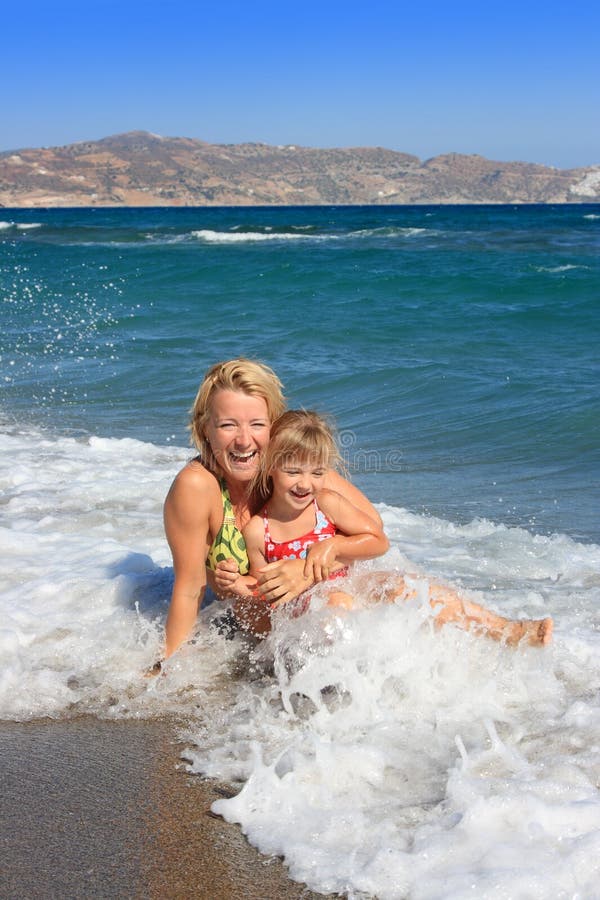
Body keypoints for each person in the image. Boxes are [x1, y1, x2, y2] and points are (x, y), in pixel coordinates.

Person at [236, 410, 554, 646]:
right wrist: (236, 585)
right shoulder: (258, 531)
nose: (306, 483)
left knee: (405, 586)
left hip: (349, 586)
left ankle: (504, 631)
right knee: (337, 606)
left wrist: (335, 546)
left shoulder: (326, 504)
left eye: (317, 472)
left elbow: (378, 541)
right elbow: (264, 596)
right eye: (293, 471)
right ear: (271, 467)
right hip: (308, 613)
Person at [162, 358, 385, 659]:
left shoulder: (292, 470)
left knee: (443, 604)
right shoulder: (198, 487)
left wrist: (305, 570)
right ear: (205, 429)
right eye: (228, 425)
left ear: (275, 426)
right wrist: (167, 668)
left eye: (257, 424)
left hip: (339, 595)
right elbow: (189, 590)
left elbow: (375, 533)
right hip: (276, 635)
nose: (244, 441)